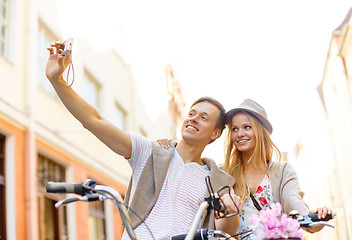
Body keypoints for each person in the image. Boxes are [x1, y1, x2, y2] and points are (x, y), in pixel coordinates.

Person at [45, 42, 243, 239]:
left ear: (215, 133)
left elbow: (225, 232)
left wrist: (230, 210)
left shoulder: (215, 180)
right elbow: (94, 121)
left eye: (203, 117)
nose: (193, 118)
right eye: (191, 113)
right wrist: (57, 81)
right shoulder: (149, 152)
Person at [224, 99, 333, 237]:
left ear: (260, 130)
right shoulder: (224, 173)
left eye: (247, 127)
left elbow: (293, 200)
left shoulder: (282, 171)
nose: (239, 134)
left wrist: (314, 216)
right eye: (235, 129)